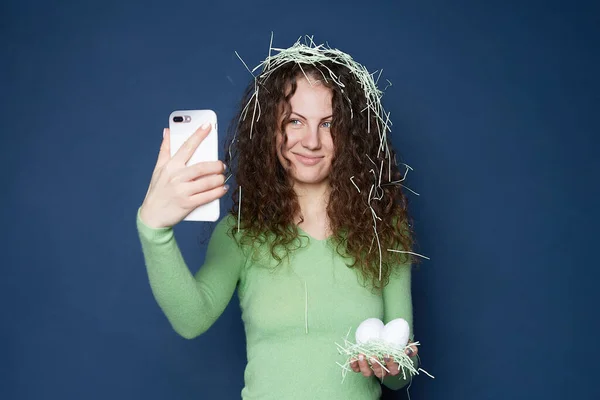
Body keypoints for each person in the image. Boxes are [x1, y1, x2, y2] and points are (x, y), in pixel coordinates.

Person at [136, 39, 421, 399]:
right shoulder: (242, 233)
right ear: (271, 129)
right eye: (295, 121)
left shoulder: (385, 232)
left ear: (351, 135)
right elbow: (192, 320)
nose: (312, 141)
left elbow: (400, 373)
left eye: (329, 123)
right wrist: (154, 230)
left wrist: (394, 364)